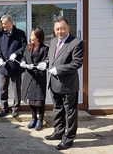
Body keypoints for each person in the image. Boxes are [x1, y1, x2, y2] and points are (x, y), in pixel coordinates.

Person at [37, 17, 84, 150]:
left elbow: (76, 63)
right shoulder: (52, 42)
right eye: (57, 29)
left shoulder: (76, 42)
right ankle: (58, 132)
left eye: (63, 28)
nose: (60, 31)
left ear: (68, 28)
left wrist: (58, 69)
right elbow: (49, 58)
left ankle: (68, 139)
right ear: (54, 30)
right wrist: (44, 63)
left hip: (68, 85)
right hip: (54, 83)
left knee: (70, 113)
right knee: (57, 110)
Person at [0, 14, 27, 118]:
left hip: (16, 67)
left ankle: (15, 108)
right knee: (3, 89)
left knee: (16, 89)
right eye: (2, 24)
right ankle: (4, 108)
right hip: (4, 66)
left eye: (5, 24)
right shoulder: (0, 35)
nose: (3, 26)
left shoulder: (20, 33)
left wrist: (16, 54)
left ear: (11, 23)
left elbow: (24, 47)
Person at [20, 28, 48, 131]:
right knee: (31, 99)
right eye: (31, 35)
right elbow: (23, 57)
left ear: (38, 37)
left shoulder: (45, 49)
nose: (31, 37)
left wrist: (35, 65)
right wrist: (23, 62)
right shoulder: (28, 47)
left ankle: (40, 120)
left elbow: (45, 61)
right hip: (29, 75)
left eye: (33, 35)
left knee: (39, 100)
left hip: (39, 77)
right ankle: (33, 118)